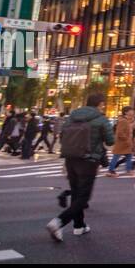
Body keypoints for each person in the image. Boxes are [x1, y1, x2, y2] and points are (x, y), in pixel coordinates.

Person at [46, 92, 115, 242]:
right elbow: (110, 141)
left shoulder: (72, 116)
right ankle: (59, 222)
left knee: (76, 193)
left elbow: (62, 134)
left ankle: (79, 226)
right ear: (100, 104)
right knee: (83, 197)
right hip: (88, 160)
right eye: (103, 104)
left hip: (71, 158)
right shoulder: (101, 118)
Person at [106, 106, 135, 176]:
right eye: (131, 110)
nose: (133, 112)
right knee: (116, 157)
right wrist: (126, 139)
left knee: (129, 156)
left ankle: (128, 170)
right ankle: (111, 171)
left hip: (125, 143)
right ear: (126, 112)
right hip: (122, 143)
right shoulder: (123, 121)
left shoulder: (126, 120)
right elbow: (120, 132)